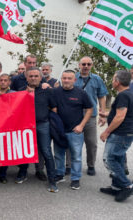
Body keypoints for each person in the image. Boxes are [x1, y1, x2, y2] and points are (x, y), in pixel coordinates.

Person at [53, 70, 93, 190]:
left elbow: (90, 109)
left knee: (76, 156)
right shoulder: (55, 92)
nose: (66, 80)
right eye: (64, 78)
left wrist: (81, 125)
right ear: (61, 79)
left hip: (75, 131)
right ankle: (60, 174)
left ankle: (75, 179)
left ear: (74, 80)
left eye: (69, 78)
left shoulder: (81, 93)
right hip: (59, 130)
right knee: (59, 155)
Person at [99, 70, 133, 202]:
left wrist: (106, 132)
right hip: (126, 132)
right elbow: (123, 113)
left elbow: (120, 116)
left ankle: (127, 185)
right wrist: (107, 115)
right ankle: (116, 187)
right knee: (118, 158)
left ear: (117, 82)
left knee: (109, 159)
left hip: (120, 133)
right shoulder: (129, 93)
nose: (112, 81)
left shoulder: (123, 95)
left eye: (113, 79)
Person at [74, 56, 108, 176]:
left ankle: (91, 165)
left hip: (91, 116)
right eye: (83, 64)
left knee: (91, 143)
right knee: (72, 141)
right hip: (75, 115)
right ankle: (70, 165)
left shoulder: (97, 79)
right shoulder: (73, 78)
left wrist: (103, 114)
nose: (86, 66)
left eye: (89, 64)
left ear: (91, 66)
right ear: (79, 65)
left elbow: (102, 96)